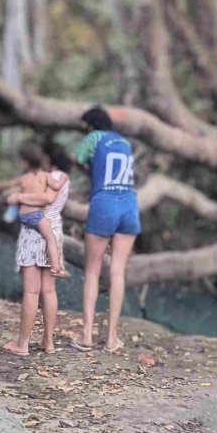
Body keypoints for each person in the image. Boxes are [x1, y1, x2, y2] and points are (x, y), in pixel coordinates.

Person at [73, 105, 140, 354]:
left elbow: (77, 157)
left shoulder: (94, 137)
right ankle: (112, 338)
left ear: (90, 125)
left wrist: (90, 168)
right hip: (130, 205)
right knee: (118, 272)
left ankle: (87, 336)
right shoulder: (125, 142)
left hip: (104, 203)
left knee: (92, 272)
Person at [2, 141, 71, 357]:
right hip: (54, 229)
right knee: (49, 290)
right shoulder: (61, 178)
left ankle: (22, 344)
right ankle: (48, 341)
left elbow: (45, 198)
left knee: (31, 291)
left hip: (35, 232)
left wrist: (19, 197)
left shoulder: (47, 177)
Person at [0, 140, 69, 278]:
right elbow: (52, 192)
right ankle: (57, 267)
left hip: (24, 217)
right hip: (36, 216)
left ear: (25, 162)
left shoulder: (23, 178)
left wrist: (2, 189)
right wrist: (63, 179)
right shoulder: (45, 177)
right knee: (50, 239)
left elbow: (6, 185)